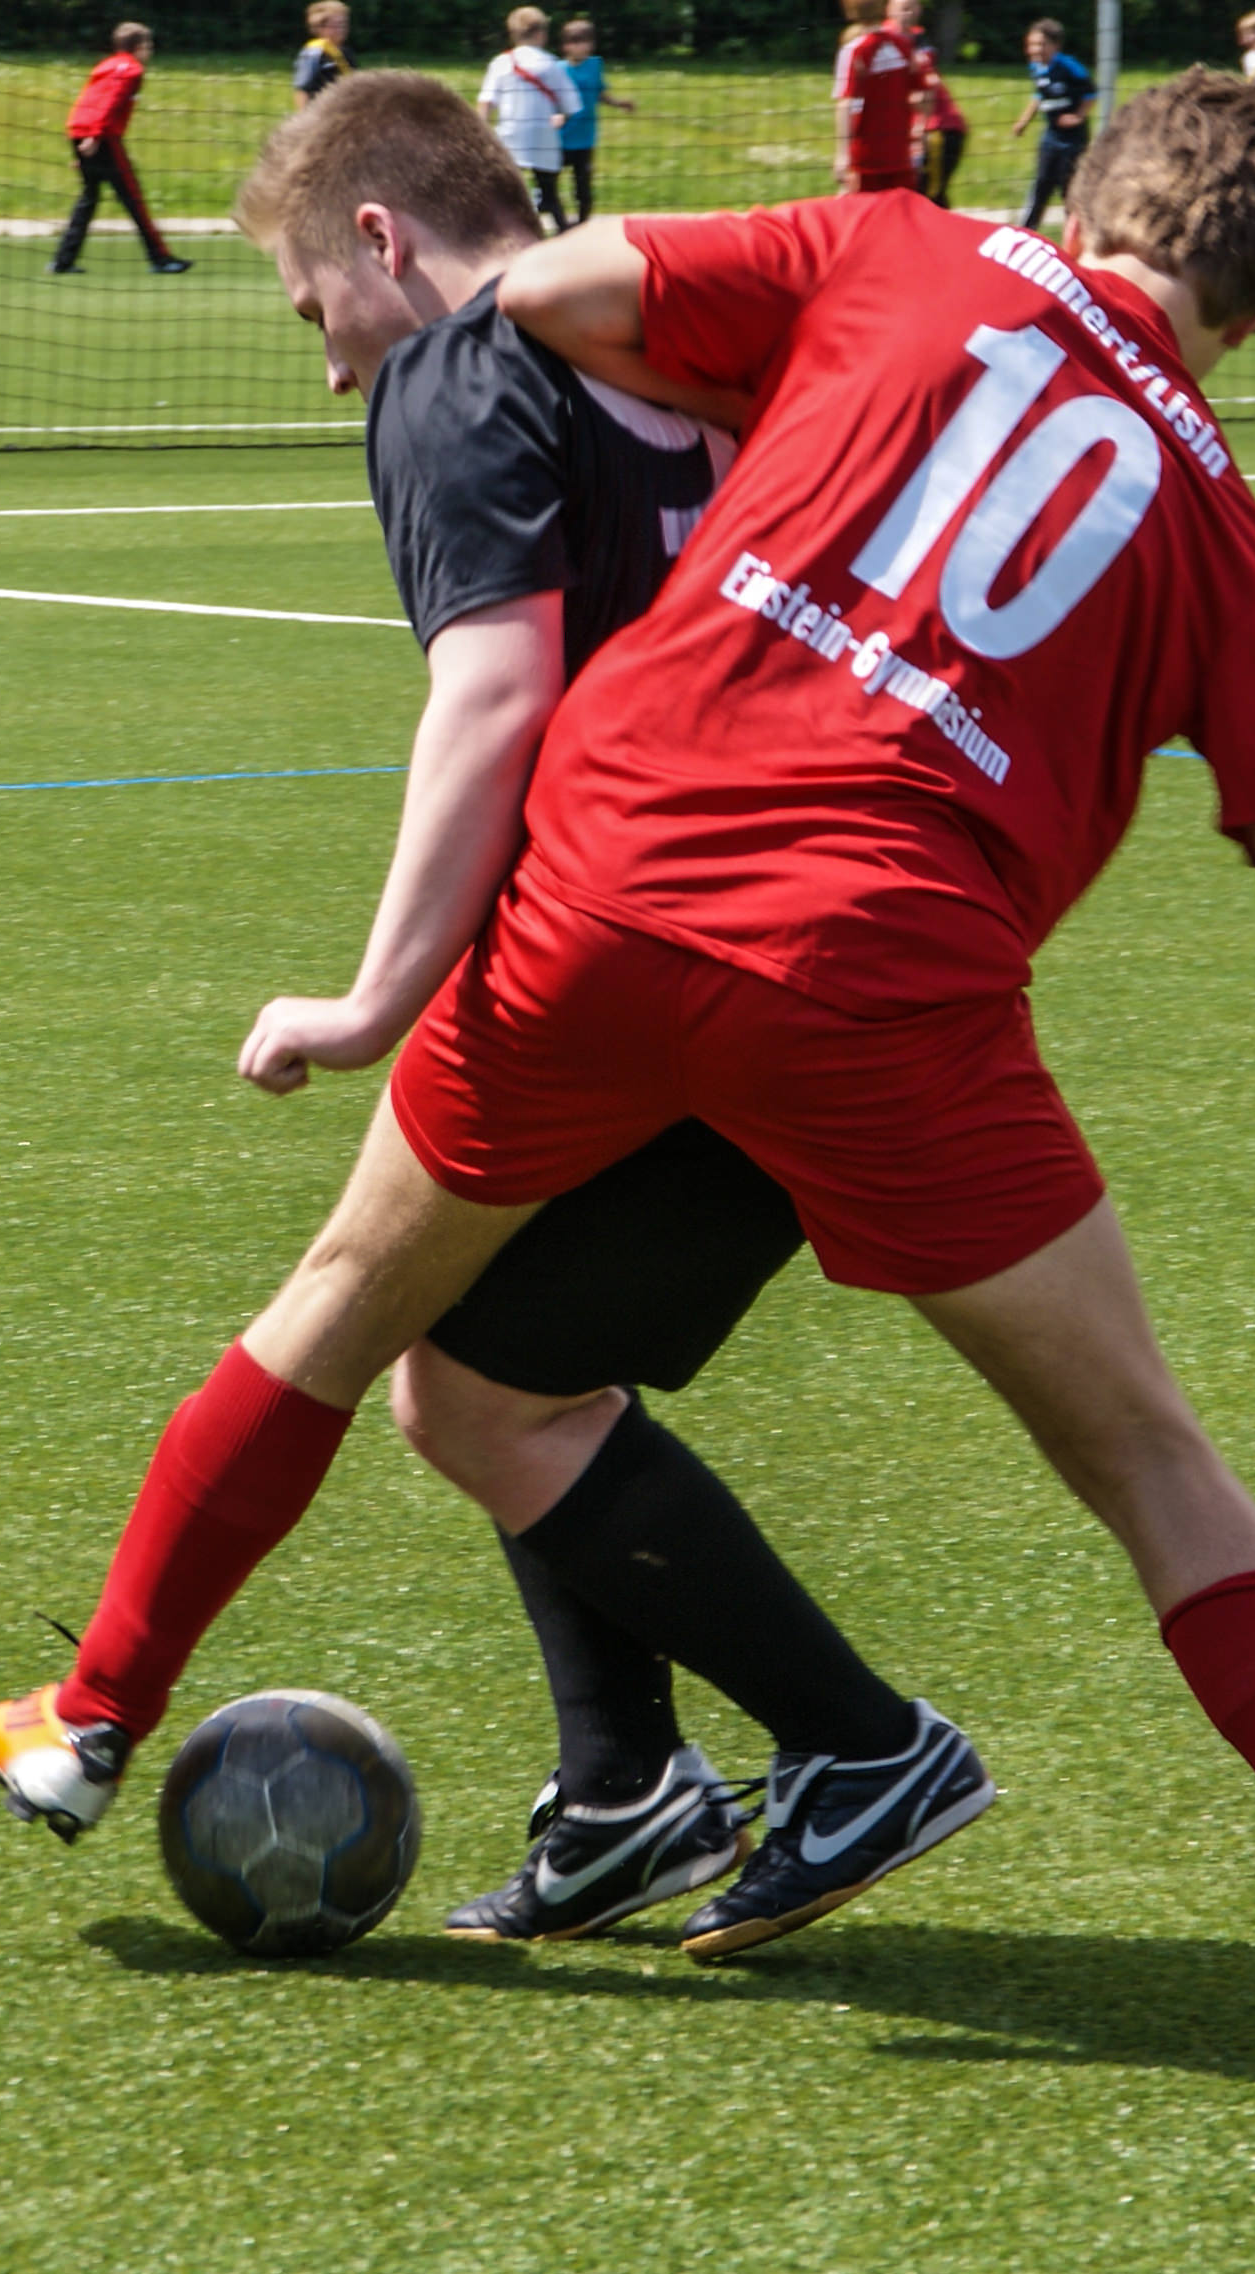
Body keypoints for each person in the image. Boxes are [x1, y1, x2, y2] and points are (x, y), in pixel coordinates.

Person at [0, 67, 1255, 2071]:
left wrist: (791, 402)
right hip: (888, 985)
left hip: (611, 886)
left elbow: (554, 287)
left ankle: (89, 1711)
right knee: (1152, 1464)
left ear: (1082, 195)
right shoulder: (1231, 539)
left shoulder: (901, 249)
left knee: (345, 1310)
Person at [219, 66, 956, 1946]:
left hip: (696, 958)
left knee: (456, 1379)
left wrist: (375, 994)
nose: (332, 366)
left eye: (314, 309)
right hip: (802, 927)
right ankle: (627, 1786)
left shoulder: (460, 377)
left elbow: (497, 692)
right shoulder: (690, 350)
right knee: (492, 1359)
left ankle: (858, 1741)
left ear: (379, 235)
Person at [51, 22, 193, 276]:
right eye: (148, 46)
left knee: (89, 199)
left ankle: (63, 261)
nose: (150, 51)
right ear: (138, 47)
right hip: (102, 137)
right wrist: (95, 137)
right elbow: (111, 102)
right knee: (133, 198)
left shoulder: (105, 65)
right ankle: (161, 259)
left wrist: (82, 144)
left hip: (78, 130)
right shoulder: (132, 70)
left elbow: (88, 100)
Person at [481, 7, 584, 235]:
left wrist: (482, 131)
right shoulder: (551, 64)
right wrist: (560, 117)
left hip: (510, 136)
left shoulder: (501, 63)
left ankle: (502, 233)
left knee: (505, 191)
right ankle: (562, 234)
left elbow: (486, 101)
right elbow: (571, 105)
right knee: (550, 192)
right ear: (541, 34)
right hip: (543, 136)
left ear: (513, 34)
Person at [1008, 17, 1098, 230]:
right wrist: (1024, 121)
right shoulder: (1036, 67)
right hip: (1051, 136)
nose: (1035, 49)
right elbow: (1040, 95)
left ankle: (1075, 233)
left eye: (1041, 44)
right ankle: (1027, 230)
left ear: (1056, 45)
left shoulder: (1069, 66)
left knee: (1069, 187)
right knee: (1041, 183)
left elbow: (1091, 93)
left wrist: (1078, 116)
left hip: (1072, 139)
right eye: (1031, 44)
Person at [837, 0, 929, 196]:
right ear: (884, 8)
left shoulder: (855, 49)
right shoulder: (904, 45)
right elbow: (923, 95)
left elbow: (845, 104)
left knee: (862, 211)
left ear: (849, 12)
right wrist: (920, 128)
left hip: (866, 156)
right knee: (901, 210)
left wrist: (842, 154)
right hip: (900, 153)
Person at [557, 19, 635, 225]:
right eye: (579, 42)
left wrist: (619, 103)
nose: (586, 47)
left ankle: (582, 224)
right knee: (550, 183)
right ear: (566, 46)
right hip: (560, 137)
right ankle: (559, 222)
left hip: (585, 137)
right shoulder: (557, 69)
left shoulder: (594, 65)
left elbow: (599, 93)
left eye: (588, 42)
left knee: (583, 186)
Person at [914, 16, 970, 207]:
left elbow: (927, 91)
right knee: (928, 193)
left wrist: (919, 127)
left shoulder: (919, 64)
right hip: (932, 132)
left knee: (930, 196)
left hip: (938, 132)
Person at [292, 0, 353, 107]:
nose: (341, 29)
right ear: (321, 28)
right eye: (336, 25)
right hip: (321, 110)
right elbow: (303, 89)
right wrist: (306, 114)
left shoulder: (346, 53)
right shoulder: (313, 53)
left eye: (344, 24)